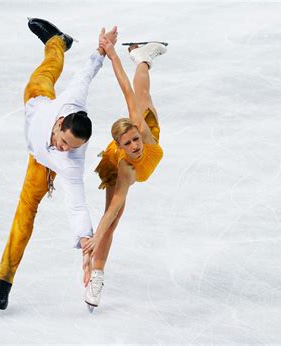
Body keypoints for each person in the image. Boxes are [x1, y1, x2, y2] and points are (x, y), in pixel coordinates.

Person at [0, 18, 118, 311]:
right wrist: (100, 50)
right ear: (61, 122)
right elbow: (85, 75)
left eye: (72, 148)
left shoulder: (70, 161)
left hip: (40, 164)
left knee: (24, 215)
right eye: (63, 142)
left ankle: (3, 280)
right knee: (41, 78)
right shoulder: (70, 100)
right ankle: (58, 42)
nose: (65, 149)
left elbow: (76, 202)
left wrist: (86, 238)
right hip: (38, 102)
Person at [82, 37, 167, 309]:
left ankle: (141, 56)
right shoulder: (125, 167)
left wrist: (112, 55)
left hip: (145, 127)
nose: (134, 147)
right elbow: (113, 208)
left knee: (141, 96)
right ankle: (97, 275)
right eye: (128, 144)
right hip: (117, 167)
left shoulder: (142, 131)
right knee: (114, 220)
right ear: (120, 146)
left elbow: (125, 88)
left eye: (134, 140)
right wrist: (95, 237)